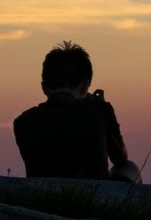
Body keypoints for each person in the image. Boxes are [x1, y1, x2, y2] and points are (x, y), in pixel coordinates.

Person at [12, 41, 141, 182]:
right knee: (129, 168)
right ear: (86, 84)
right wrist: (104, 111)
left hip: (43, 199)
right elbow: (120, 158)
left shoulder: (23, 123)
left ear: (44, 87)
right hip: (95, 198)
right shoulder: (100, 111)